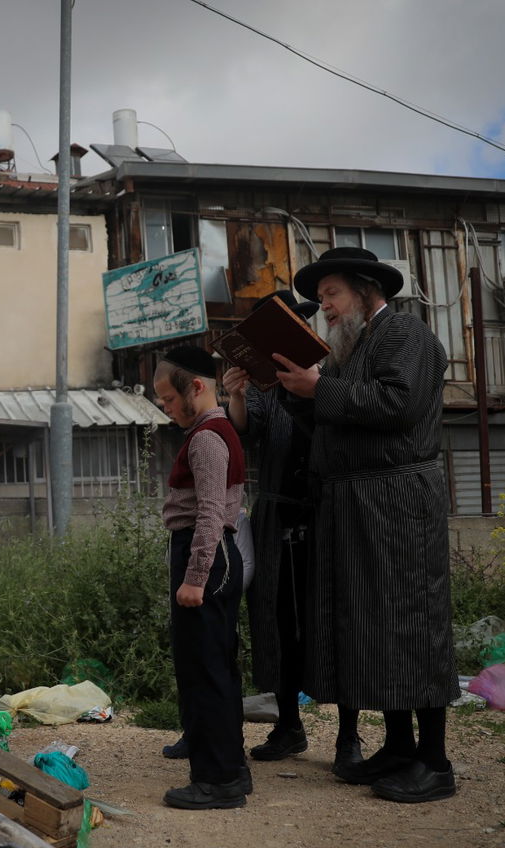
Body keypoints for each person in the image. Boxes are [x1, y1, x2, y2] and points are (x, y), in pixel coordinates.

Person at [274, 247, 459, 804]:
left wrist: (319, 388)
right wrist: (298, 391)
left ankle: (436, 760)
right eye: (323, 297)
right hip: (356, 504)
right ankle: (400, 745)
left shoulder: (406, 335)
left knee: (411, 621)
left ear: (365, 289)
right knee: (375, 630)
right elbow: (336, 418)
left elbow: (398, 405)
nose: (323, 305)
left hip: (399, 502)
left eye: (331, 293)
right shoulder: (346, 350)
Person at [222, 290, 363, 774]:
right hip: (275, 513)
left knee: (333, 616)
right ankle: (288, 726)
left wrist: (312, 388)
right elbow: (248, 431)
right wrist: (236, 395)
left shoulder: (334, 375)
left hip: (325, 511)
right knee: (275, 619)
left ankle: (349, 735)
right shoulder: (264, 384)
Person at [154, 346, 251, 810]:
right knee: (213, 667)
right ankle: (230, 766)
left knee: (208, 669)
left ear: (196, 387)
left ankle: (218, 781)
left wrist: (195, 576)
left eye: (169, 399)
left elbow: (211, 513)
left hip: (206, 557)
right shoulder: (212, 430)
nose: (166, 407)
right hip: (211, 557)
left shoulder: (208, 436)